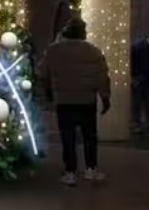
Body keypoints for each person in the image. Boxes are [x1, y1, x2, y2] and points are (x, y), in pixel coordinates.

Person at [36, 17, 111, 187]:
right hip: (87, 100)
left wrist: (47, 92)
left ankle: (70, 172)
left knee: (68, 137)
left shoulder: (53, 51)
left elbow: (42, 74)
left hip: (64, 101)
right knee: (90, 136)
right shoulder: (94, 51)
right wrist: (105, 97)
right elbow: (102, 77)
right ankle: (91, 168)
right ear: (83, 33)